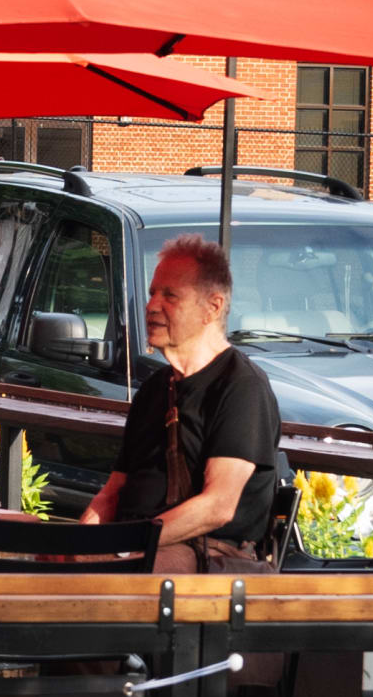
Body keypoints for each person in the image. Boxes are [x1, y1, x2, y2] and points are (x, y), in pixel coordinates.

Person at [82, 235, 283, 573]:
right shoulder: (154, 390)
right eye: (152, 294)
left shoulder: (242, 388)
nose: (151, 306)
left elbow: (218, 506)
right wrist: (77, 546)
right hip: (133, 551)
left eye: (170, 295)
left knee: (119, 576)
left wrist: (126, 546)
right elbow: (112, 494)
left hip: (205, 561)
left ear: (213, 308)